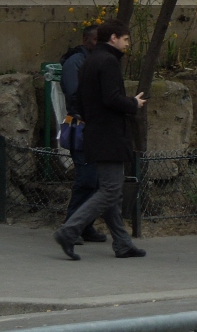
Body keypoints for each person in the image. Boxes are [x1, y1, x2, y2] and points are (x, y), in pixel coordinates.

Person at [53, 20, 148, 261]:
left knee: (111, 193)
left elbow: (83, 100)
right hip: (110, 136)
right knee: (109, 191)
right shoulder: (108, 61)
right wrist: (133, 103)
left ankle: (123, 243)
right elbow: (111, 98)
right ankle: (69, 230)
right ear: (113, 38)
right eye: (126, 39)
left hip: (97, 132)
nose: (128, 44)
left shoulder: (90, 61)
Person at [60, 25, 104, 243]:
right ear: (88, 40)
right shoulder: (75, 62)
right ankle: (72, 225)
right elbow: (75, 94)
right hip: (81, 126)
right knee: (86, 179)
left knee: (96, 181)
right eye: (98, 40)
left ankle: (85, 225)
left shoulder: (92, 61)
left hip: (93, 127)